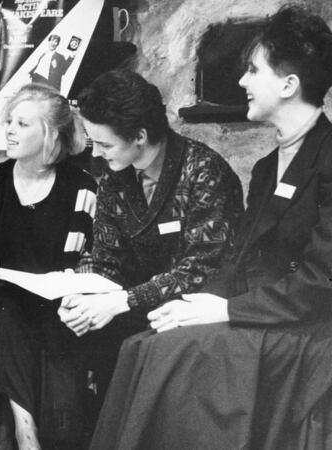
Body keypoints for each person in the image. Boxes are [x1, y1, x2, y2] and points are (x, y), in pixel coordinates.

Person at [88, 6, 332, 449]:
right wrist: (197, 304)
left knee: (165, 354)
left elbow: (318, 285)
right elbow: (238, 260)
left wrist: (223, 311)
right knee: (144, 343)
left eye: (253, 70)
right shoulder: (264, 169)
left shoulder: (330, 162)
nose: (241, 82)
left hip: (305, 332)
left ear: (289, 85)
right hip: (262, 318)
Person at [57, 69, 244, 401]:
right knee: (56, 331)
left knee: (130, 349)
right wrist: (85, 298)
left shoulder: (205, 171)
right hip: (135, 307)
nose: (96, 154)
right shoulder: (114, 176)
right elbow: (107, 260)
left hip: (193, 312)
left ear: (139, 136)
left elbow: (201, 270)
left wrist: (121, 301)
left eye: (103, 143)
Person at [0, 83, 97, 449]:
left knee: (51, 322)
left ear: (51, 134)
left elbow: (92, 258)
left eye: (22, 124)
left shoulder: (82, 190)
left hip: (60, 302)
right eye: (8, 122)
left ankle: (41, 432)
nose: (8, 130)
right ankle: (27, 434)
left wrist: (75, 284)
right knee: (6, 309)